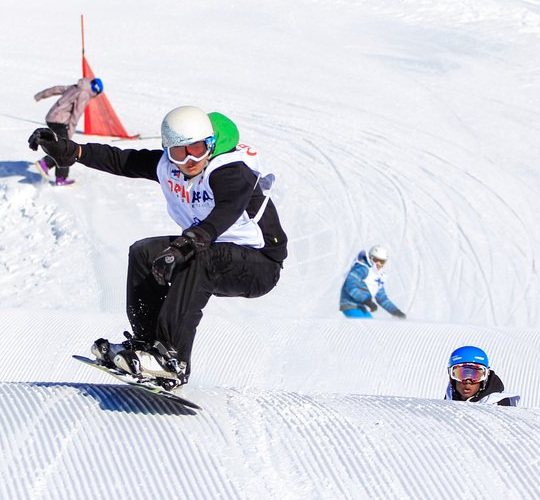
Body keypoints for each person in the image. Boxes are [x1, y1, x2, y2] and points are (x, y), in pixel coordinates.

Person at [29, 105, 287, 389]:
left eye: (198, 149)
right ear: (168, 150)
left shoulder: (230, 171)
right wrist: (72, 151)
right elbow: (122, 159)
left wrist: (188, 242)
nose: (189, 160)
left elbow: (227, 209)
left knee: (198, 258)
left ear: (211, 146)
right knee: (143, 253)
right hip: (208, 247)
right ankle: (145, 346)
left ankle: (170, 360)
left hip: (259, 263)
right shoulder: (168, 166)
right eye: (179, 152)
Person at [33, 76, 104, 186]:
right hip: (59, 121)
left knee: (60, 147)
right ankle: (54, 172)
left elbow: (56, 89)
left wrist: (40, 95)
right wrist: (70, 134)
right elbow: (76, 115)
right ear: (96, 91)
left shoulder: (76, 87)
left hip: (51, 117)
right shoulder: (85, 95)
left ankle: (48, 166)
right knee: (66, 149)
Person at [339, 245, 406, 319]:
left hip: (361, 307)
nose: (378, 264)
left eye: (382, 262)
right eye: (375, 260)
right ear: (370, 258)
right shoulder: (362, 268)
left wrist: (396, 312)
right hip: (350, 304)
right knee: (367, 326)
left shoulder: (377, 277)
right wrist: (366, 300)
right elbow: (350, 284)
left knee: (372, 325)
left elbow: (382, 298)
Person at [444, 345, 520, 406]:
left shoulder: (499, 403)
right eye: (460, 374)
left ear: (486, 376)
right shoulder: (450, 395)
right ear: (451, 375)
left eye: (475, 375)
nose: (467, 381)